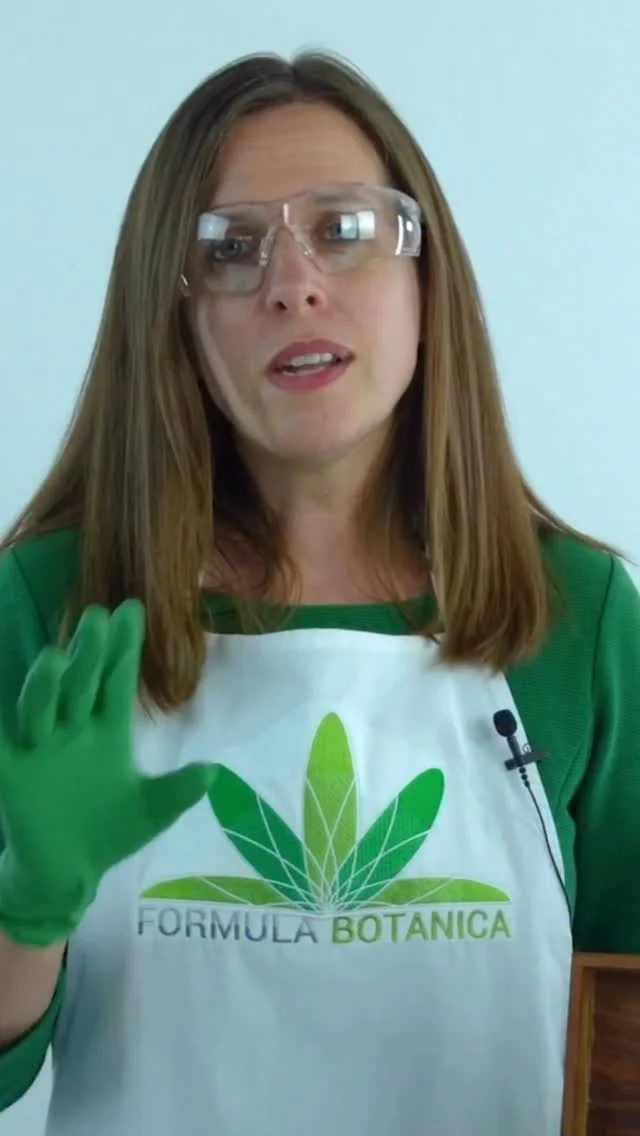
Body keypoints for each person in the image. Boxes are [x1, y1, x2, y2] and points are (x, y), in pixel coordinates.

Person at [0, 49, 638, 1136]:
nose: (292, 283)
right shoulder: (49, 603)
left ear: (427, 281)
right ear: (174, 317)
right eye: (230, 247)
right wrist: (29, 904)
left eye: (343, 230)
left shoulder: (577, 615)